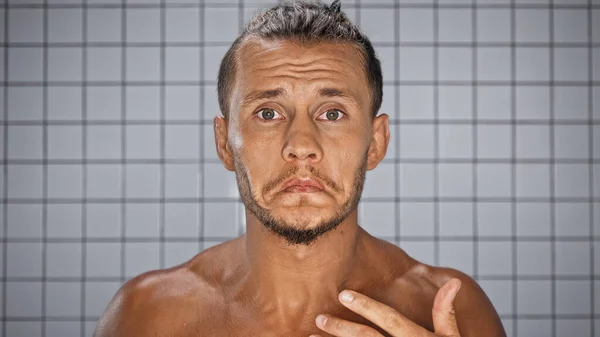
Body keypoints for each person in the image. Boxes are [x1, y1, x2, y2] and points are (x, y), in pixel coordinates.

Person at [94, 1, 506, 336]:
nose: (301, 146)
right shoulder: (147, 316)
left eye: (332, 113)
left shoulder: (452, 310)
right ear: (224, 143)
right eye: (268, 112)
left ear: (375, 143)